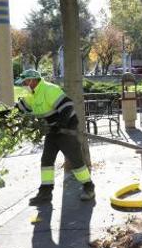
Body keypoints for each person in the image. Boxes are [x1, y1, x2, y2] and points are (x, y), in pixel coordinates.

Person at [14, 69, 95, 204]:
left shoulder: (49, 89)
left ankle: (89, 188)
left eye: (25, 82)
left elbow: (68, 106)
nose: (24, 84)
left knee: (76, 161)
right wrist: (2, 114)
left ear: (33, 80)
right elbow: (19, 108)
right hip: (52, 132)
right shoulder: (32, 94)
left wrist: (60, 125)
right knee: (46, 160)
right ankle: (45, 192)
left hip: (66, 130)